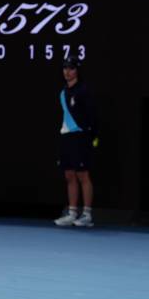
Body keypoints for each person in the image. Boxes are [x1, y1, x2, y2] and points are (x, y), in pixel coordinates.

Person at [54, 56, 98, 227]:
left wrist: (91, 136)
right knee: (69, 174)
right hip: (66, 137)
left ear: (77, 71)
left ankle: (87, 214)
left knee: (83, 175)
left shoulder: (84, 91)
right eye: (65, 68)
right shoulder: (63, 92)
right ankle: (72, 212)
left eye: (71, 68)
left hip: (81, 137)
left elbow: (92, 116)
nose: (67, 72)